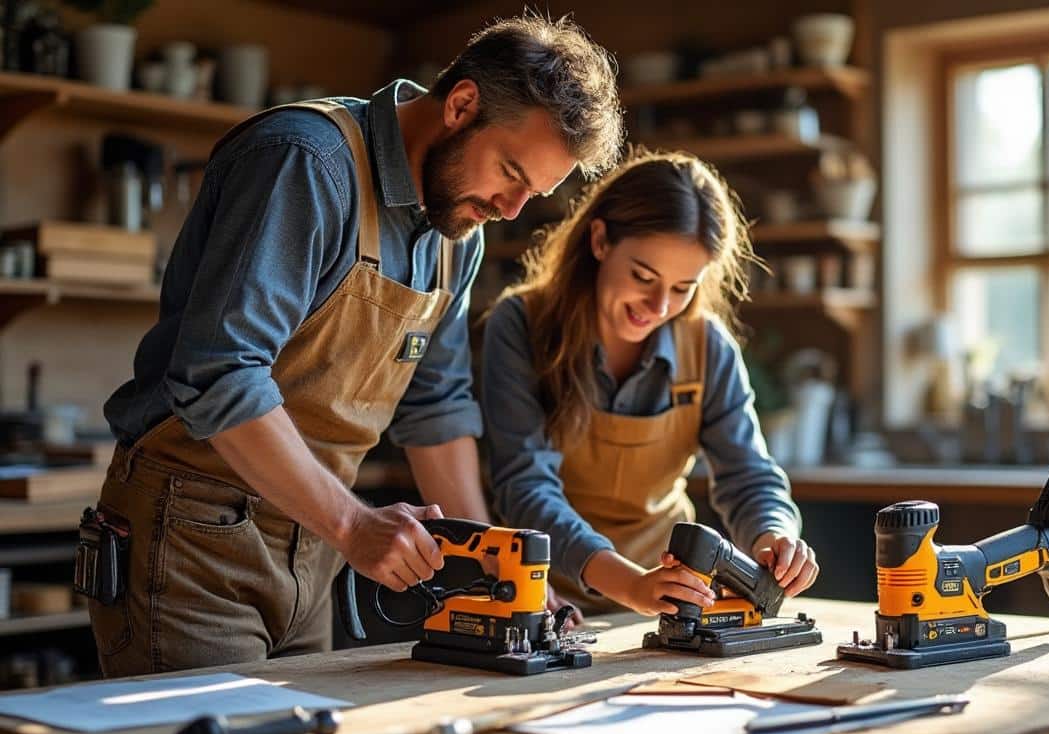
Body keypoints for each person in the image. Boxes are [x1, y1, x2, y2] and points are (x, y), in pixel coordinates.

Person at [84, 15, 624, 677]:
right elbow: (222, 373)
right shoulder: (308, 163)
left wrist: (500, 579)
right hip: (192, 534)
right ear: (460, 105)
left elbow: (437, 412)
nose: (511, 209)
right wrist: (352, 524)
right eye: (511, 173)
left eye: (532, 194)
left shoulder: (459, 234)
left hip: (314, 548)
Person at [480, 151, 819, 620]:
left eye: (683, 287)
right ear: (599, 240)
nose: (659, 305)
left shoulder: (708, 347)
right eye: (643, 276)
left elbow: (748, 476)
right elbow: (526, 489)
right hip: (545, 598)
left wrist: (773, 535)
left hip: (673, 598)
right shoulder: (520, 325)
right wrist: (630, 585)